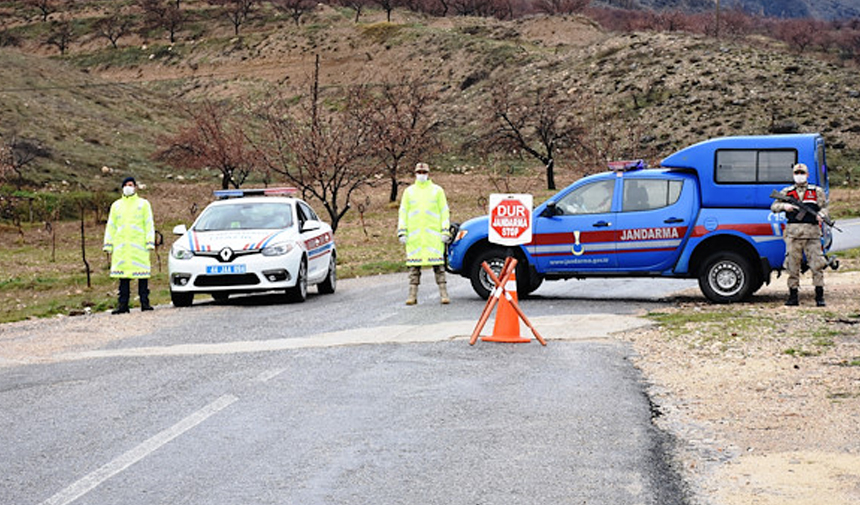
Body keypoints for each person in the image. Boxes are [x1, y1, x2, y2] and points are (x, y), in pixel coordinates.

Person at [770, 163, 829, 307]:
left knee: (817, 265)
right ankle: (793, 296)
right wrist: (785, 206)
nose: (799, 175)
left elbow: (825, 208)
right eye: (797, 173)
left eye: (802, 173)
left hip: (812, 234)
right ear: (793, 175)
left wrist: (821, 215)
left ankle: (819, 296)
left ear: (807, 175)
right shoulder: (787, 192)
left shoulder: (816, 191)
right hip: (793, 234)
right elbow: (774, 206)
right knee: (792, 265)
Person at [397, 162, 451, 305]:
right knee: (414, 269)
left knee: (439, 267)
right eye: (419, 172)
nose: (421, 175)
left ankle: (443, 294)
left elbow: (444, 211)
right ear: (415, 174)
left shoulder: (437, 191)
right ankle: (412, 295)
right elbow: (403, 212)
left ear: (428, 174)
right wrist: (402, 231)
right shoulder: (409, 192)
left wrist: (445, 230)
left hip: (433, 237)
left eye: (424, 172)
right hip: (415, 238)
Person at [103, 176, 156, 313]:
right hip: (122, 248)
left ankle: (145, 303)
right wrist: (108, 244)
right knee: (123, 278)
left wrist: (150, 241)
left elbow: (148, 223)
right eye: (126, 184)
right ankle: (123, 306)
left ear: (135, 187)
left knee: (142, 277)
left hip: (139, 247)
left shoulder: (143, 204)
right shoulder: (116, 206)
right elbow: (111, 226)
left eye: (131, 184)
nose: (128, 187)